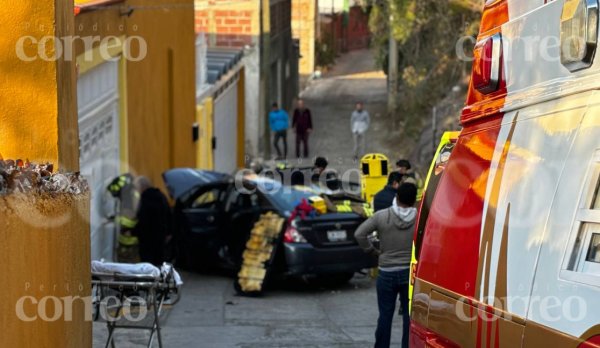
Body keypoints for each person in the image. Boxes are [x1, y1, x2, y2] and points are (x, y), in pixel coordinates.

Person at [355, 183, 418, 348]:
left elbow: (359, 233)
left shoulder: (381, 216)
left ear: (396, 198)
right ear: (413, 201)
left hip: (386, 273)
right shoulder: (420, 218)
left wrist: (373, 251)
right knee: (408, 317)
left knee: (385, 315)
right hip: (408, 274)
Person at [132, 176, 172, 266]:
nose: (136, 191)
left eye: (137, 188)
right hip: (161, 235)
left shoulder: (145, 199)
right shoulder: (161, 196)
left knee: (147, 263)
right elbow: (169, 214)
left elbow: (143, 220)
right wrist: (169, 232)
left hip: (147, 237)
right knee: (159, 261)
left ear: (142, 187)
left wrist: (134, 231)